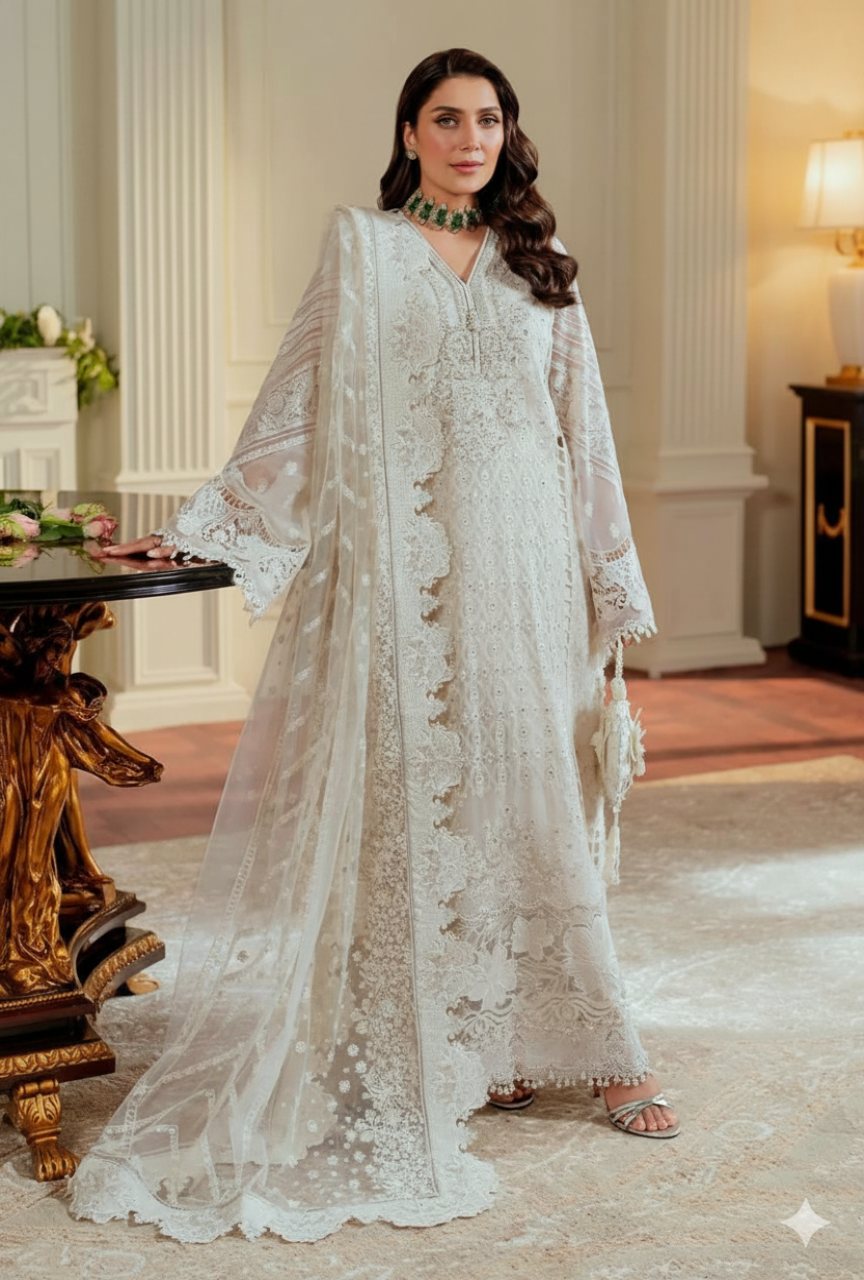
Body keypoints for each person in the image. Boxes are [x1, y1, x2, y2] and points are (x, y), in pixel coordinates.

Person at [70, 48, 677, 1245]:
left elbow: (584, 434)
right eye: (446, 119)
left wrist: (612, 587)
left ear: (510, 135)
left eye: (489, 119)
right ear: (408, 133)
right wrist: (206, 526)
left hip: (529, 575)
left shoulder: (540, 269)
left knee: (533, 796)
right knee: (421, 810)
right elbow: (293, 411)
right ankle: (471, 1039)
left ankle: (598, 1045)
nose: (469, 138)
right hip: (404, 582)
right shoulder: (364, 251)